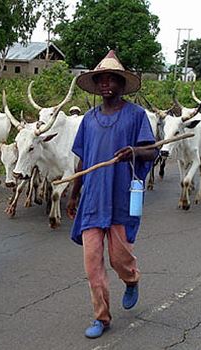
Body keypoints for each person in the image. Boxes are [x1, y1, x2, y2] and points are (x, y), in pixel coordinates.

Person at [67, 50, 157, 339]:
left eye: (111, 80)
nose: (106, 84)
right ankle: (101, 317)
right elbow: (83, 159)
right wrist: (73, 193)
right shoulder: (89, 120)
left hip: (119, 197)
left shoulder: (136, 116)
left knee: (119, 258)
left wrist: (133, 151)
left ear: (120, 83)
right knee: (93, 264)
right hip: (92, 199)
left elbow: (152, 150)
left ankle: (131, 279)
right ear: (96, 86)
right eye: (101, 80)